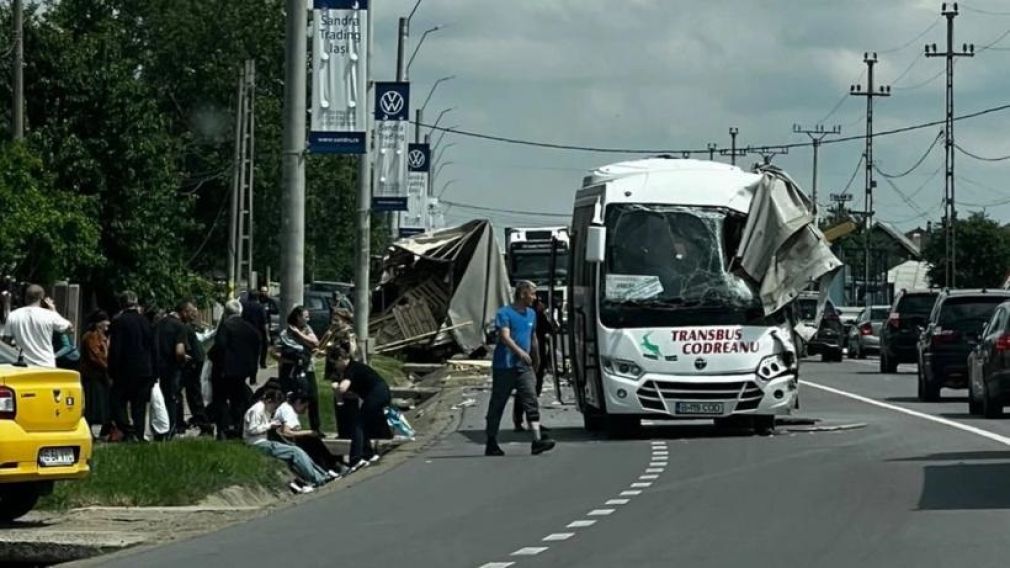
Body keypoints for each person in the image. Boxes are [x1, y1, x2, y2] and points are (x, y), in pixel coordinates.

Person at [486, 281, 555, 457]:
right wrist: (520, 353)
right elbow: (504, 337)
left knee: (531, 399)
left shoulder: (532, 314)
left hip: (524, 367)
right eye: (532, 294)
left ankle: (537, 440)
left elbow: (533, 338)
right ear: (523, 293)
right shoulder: (504, 313)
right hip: (505, 366)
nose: (534, 298)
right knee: (498, 403)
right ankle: (491, 441)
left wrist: (537, 357)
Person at [243, 388, 337, 494]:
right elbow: (252, 429)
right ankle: (318, 478)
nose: (274, 409)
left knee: (297, 451)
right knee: (295, 452)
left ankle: (322, 475)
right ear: (269, 401)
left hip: (264, 441)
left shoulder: (265, 410)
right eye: (274, 406)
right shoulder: (257, 410)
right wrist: (269, 425)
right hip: (256, 443)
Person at [327, 346, 392, 471]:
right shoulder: (355, 367)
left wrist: (336, 388)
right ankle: (368, 454)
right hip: (381, 392)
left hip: (377, 393)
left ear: (340, 359)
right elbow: (354, 392)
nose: (335, 367)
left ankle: (356, 459)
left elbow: (343, 388)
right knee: (366, 423)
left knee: (358, 424)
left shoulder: (350, 368)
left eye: (335, 363)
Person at [108, 291, 157, 442]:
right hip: (144, 370)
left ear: (121, 304)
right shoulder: (145, 321)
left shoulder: (118, 321)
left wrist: (112, 370)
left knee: (117, 401)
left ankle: (127, 430)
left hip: (125, 370)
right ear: (136, 303)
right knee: (139, 405)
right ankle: (139, 433)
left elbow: (116, 348)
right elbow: (152, 346)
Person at [209, 299, 260, 440]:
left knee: (220, 400)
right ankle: (237, 429)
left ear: (225, 312)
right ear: (240, 312)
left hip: (223, 372)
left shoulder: (225, 327)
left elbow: (219, 346)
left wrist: (212, 357)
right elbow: (256, 352)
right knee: (238, 400)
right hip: (242, 373)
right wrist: (253, 373)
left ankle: (222, 430)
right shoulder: (251, 329)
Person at [1, 284, 74, 367]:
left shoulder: (13, 315)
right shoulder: (50, 315)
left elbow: (6, 342)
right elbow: (70, 329)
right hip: (46, 365)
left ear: (25, 297)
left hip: (23, 366)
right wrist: (54, 310)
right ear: (42, 299)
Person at [274, 392, 344, 473]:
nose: (305, 410)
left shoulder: (286, 407)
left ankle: (330, 465)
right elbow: (286, 432)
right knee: (313, 442)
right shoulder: (289, 411)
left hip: (284, 438)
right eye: (305, 406)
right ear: (298, 402)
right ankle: (330, 466)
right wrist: (309, 432)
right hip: (285, 441)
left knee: (314, 441)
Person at [513, 297, 554, 431]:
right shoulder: (531, 315)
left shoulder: (532, 315)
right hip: (530, 358)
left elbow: (551, 329)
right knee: (528, 391)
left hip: (536, 357)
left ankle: (529, 422)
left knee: (532, 391)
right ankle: (525, 422)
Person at [278, 306, 321, 433]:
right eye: (305, 316)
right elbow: (275, 352)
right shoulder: (286, 333)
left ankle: (316, 428)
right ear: (298, 317)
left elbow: (315, 343)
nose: (308, 319)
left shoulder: (306, 329)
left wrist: (299, 334)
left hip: (307, 368)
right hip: (290, 369)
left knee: (313, 397)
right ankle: (287, 425)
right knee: (291, 396)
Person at [153, 304, 191, 439]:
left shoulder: (159, 323)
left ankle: (158, 429)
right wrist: (183, 359)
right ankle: (170, 429)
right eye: (190, 312)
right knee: (172, 398)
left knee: (158, 399)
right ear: (184, 312)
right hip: (172, 368)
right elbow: (179, 351)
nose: (192, 316)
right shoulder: (180, 327)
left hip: (156, 367)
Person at [178, 302, 213, 435]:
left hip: (192, 363)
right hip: (196, 361)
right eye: (192, 313)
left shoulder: (184, 327)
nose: (194, 315)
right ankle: (202, 422)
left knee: (193, 395)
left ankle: (203, 424)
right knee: (193, 394)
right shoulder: (187, 327)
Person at [79, 310, 112, 440]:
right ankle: (89, 431)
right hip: (92, 376)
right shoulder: (90, 336)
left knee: (100, 404)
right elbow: (96, 356)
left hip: (100, 375)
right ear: (99, 323)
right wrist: (108, 365)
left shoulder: (103, 336)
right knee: (92, 405)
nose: (108, 324)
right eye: (105, 321)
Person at [240, 290, 270, 369]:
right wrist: (267, 335)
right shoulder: (260, 307)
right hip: (257, 332)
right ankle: (254, 375)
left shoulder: (243, 305)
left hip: (245, 331)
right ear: (258, 297)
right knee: (256, 353)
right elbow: (265, 323)